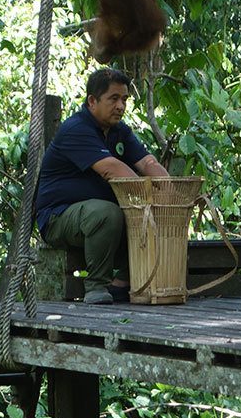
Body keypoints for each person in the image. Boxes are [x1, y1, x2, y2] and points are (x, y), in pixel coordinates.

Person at [35, 67, 169, 304]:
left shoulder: (120, 131)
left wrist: (172, 193)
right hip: (58, 217)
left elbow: (148, 163)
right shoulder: (76, 129)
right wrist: (149, 196)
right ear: (92, 101)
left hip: (96, 220)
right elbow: (111, 168)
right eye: (113, 99)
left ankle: (123, 282)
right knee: (107, 213)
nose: (120, 106)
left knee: (150, 212)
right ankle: (96, 286)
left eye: (124, 99)